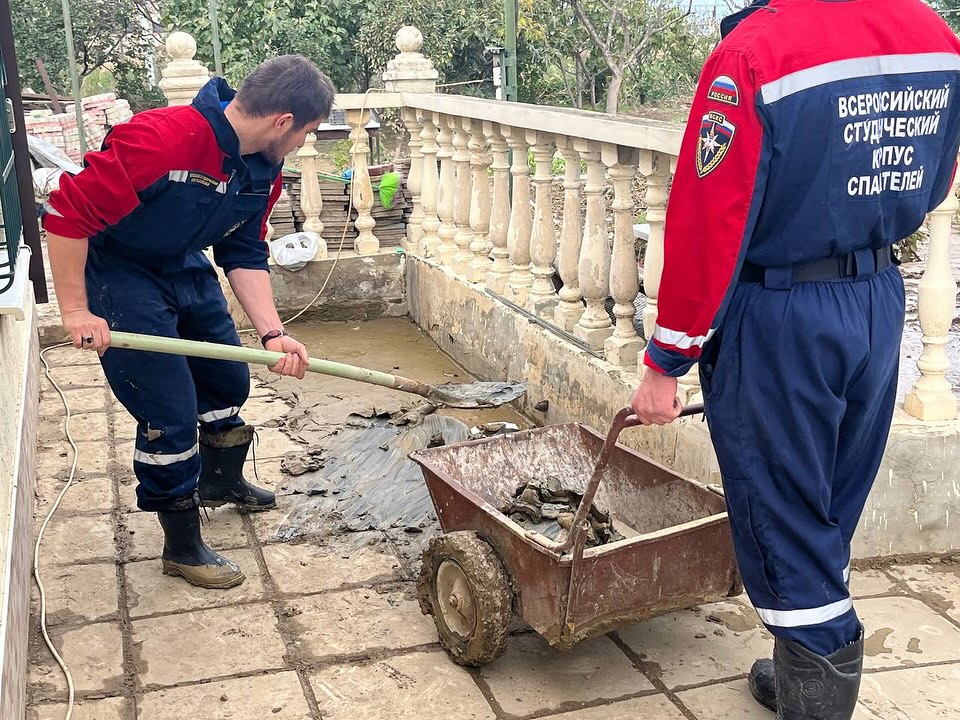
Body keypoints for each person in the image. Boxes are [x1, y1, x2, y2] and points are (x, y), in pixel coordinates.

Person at [630, 1, 960, 718]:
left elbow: (709, 220)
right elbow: (938, 180)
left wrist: (667, 360)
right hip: (876, 300)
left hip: (782, 318)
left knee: (781, 522)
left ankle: (819, 680)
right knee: (826, 508)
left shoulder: (752, 56)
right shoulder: (934, 37)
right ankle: (804, 666)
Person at [43, 56, 336, 590]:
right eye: (307, 133)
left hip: (184, 265)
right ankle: (181, 544)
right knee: (170, 411)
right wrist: (77, 311)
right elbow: (66, 214)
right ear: (282, 121)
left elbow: (243, 248)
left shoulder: (261, 169)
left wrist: (272, 332)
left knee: (227, 382)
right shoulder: (162, 139)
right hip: (120, 269)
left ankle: (221, 483)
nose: (302, 145)